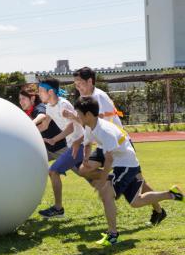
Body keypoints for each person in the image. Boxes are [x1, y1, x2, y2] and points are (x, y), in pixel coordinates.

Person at [74, 96, 182, 245]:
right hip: (124, 163)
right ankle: (172, 194)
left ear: (88, 115)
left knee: (107, 194)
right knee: (136, 202)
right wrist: (87, 159)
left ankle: (112, 235)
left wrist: (102, 180)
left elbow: (110, 159)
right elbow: (88, 144)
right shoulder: (89, 126)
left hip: (126, 164)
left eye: (78, 113)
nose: (76, 116)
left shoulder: (104, 131)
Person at [69, 66, 165, 225]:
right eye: (75, 84)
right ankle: (112, 179)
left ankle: (158, 210)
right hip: (103, 145)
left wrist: (72, 117)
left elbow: (91, 121)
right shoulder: (86, 98)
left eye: (80, 83)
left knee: (140, 181)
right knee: (84, 169)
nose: (77, 87)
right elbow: (90, 127)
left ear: (90, 81)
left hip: (120, 144)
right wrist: (80, 140)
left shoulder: (97, 96)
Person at [37, 78, 86, 219]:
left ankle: (58, 209)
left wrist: (54, 139)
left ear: (50, 91)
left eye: (41, 91)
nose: (39, 94)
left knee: (53, 171)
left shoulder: (63, 104)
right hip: (72, 146)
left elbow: (70, 127)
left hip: (80, 144)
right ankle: (114, 180)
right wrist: (27, 130)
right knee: (88, 175)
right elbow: (44, 126)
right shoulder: (49, 107)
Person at [18, 84, 67, 161]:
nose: (20, 102)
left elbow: (42, 115)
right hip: (46, 149)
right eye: (20, 99)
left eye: (23, 99)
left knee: (83, 171)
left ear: (32, 98)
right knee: (29, 162)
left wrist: (31, 124)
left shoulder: (39, 107)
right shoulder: (28, 112)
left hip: (60, 147)